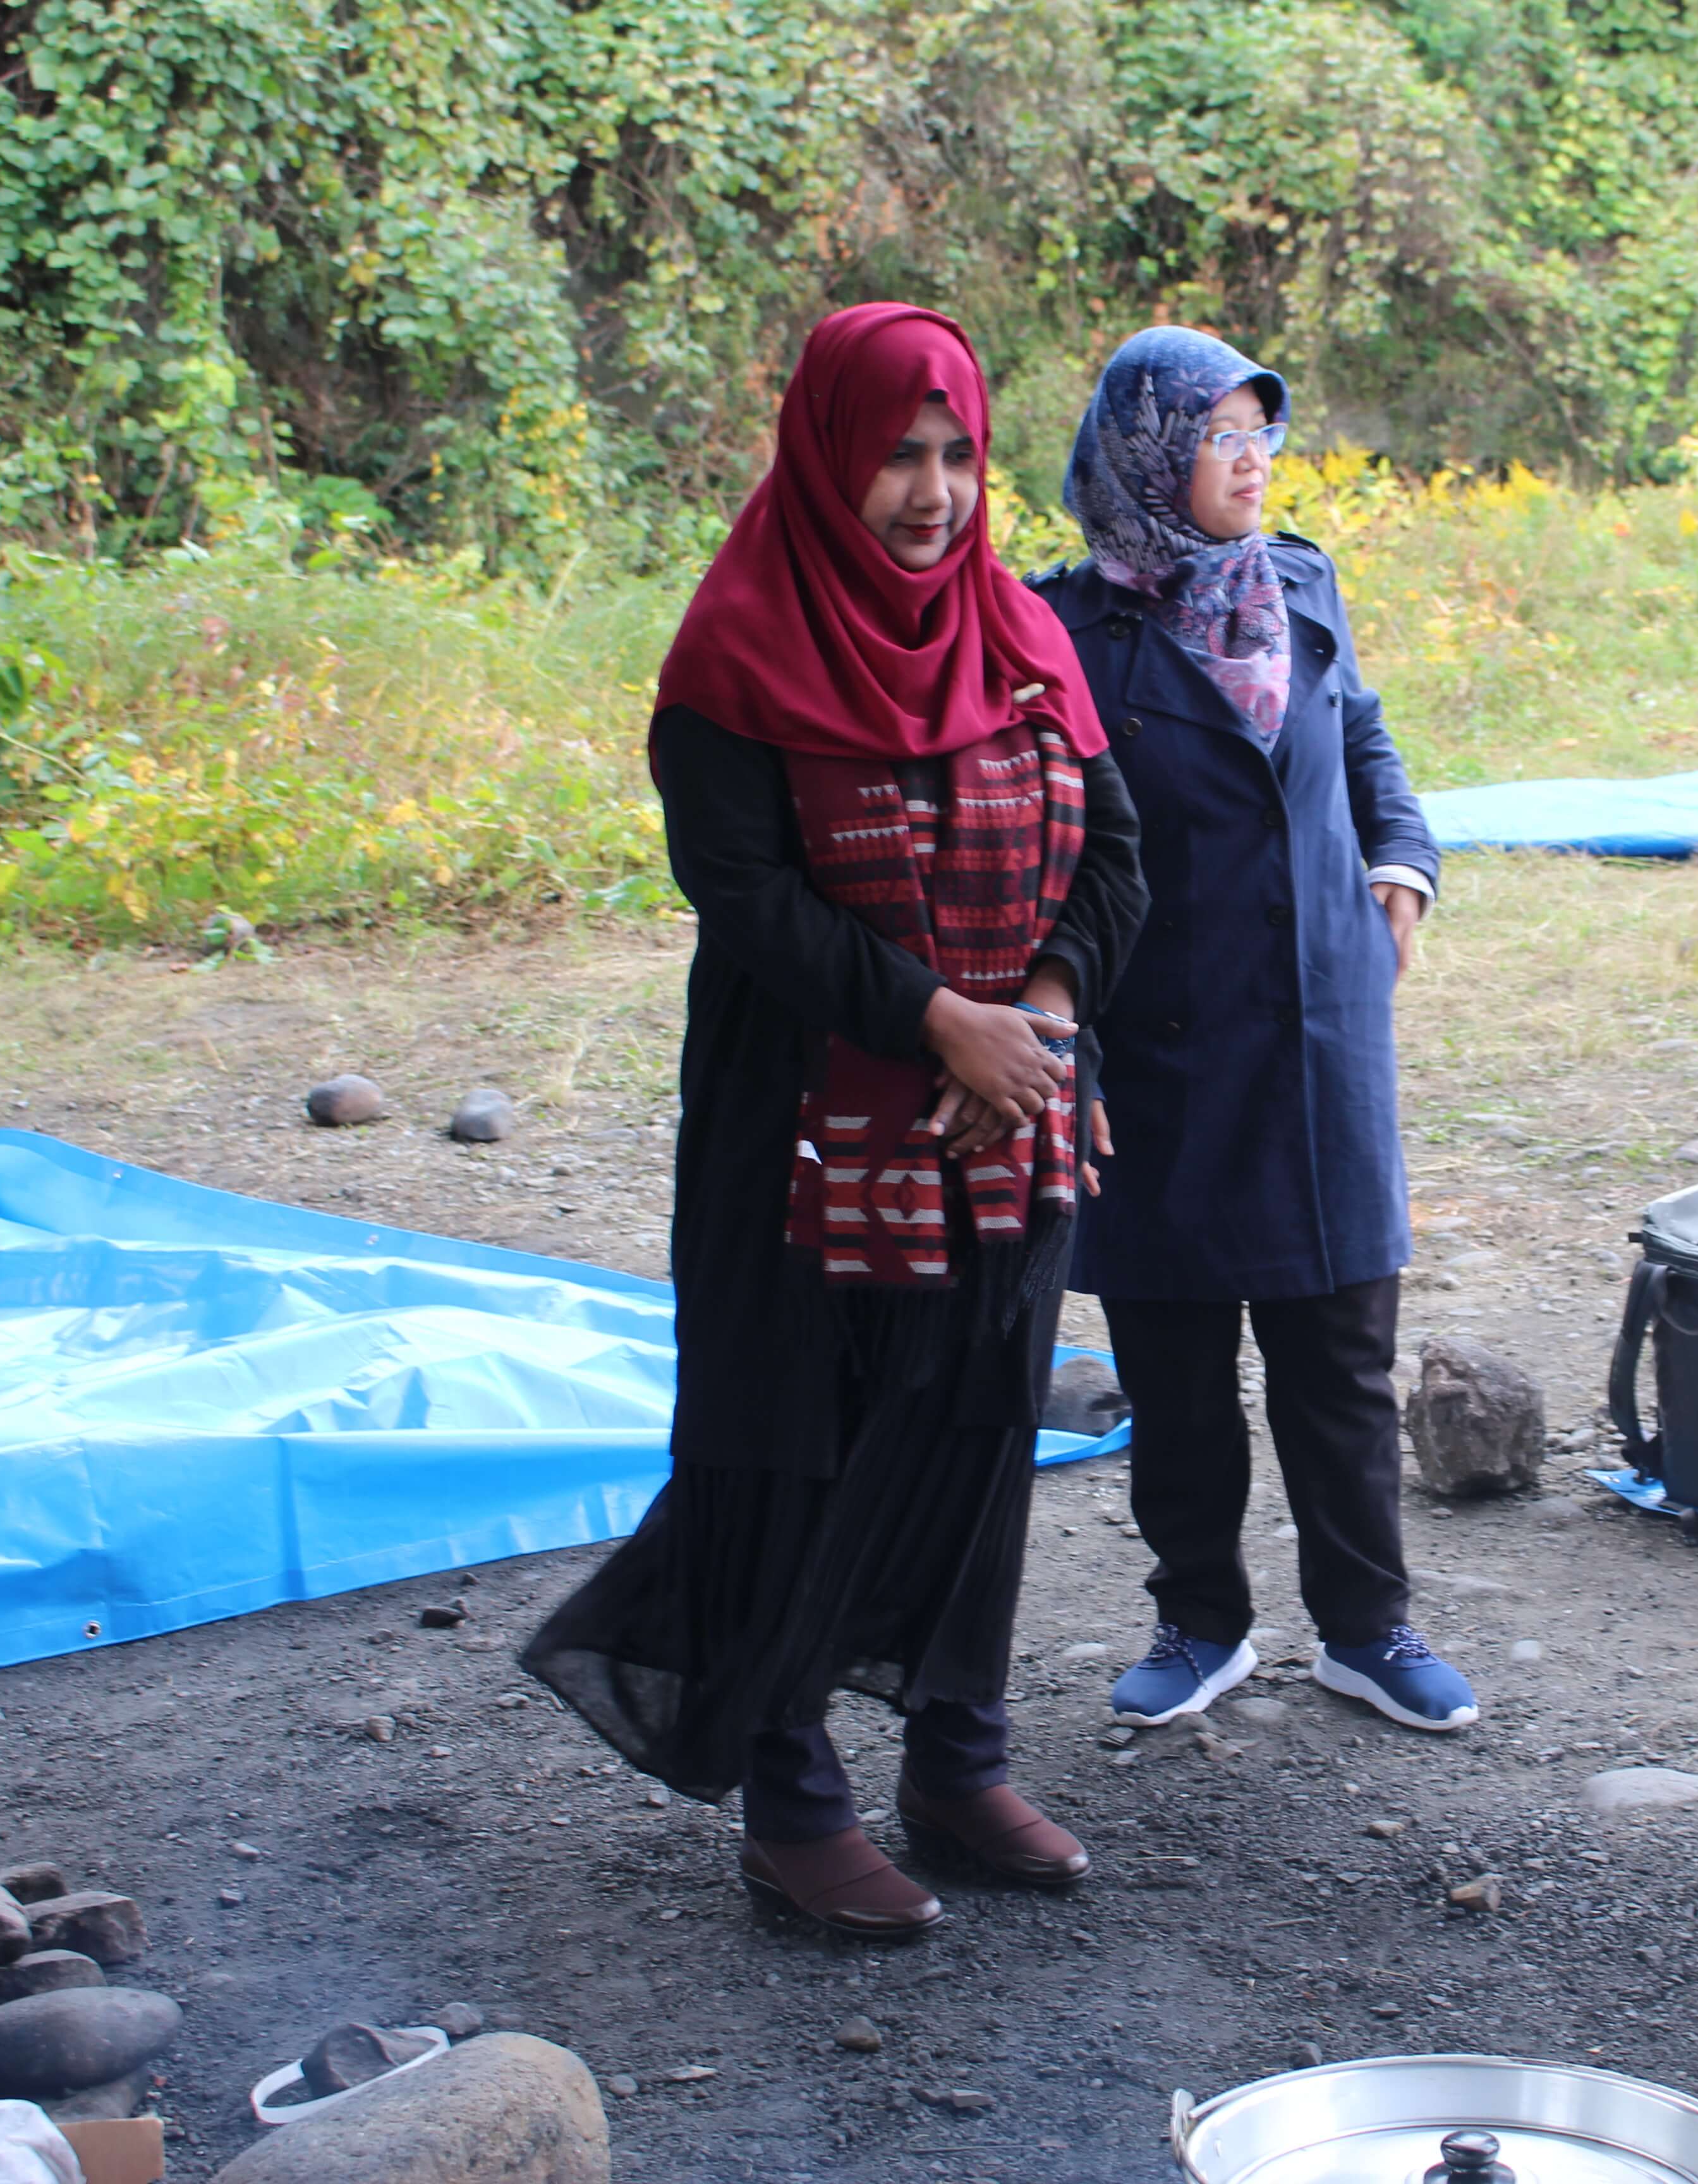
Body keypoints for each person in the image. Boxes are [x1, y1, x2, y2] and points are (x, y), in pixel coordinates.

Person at [522, 303, 1147, 1941]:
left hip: (1012, 1131)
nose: (930, 494)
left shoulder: (1022, 633)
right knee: (805, 1451)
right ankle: (792, 1806)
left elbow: (1117, 860)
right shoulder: (739, 653)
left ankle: (957, 1761)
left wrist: (1046, 1020)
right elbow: (745, 899)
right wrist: (941, 1020)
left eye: (954, 456)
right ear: (826, 459)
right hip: (801, 1141)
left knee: (977, 1438)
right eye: (895, 458)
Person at [1029, 326, 1476, 1734]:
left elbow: (1362, 738)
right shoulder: (1064, 626)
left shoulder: (1297, 579)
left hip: (1323, 1023)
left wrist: (1401, 860)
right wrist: (1058, 1021)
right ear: (1148, 452)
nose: (1252, 462)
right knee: (1174, 1349)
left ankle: (1368, 1629)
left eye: (1261, 434)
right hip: (1159, 1032)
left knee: (1339, 1349)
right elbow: (1041, 844)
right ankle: (1199, 1618)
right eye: (1221, 436)